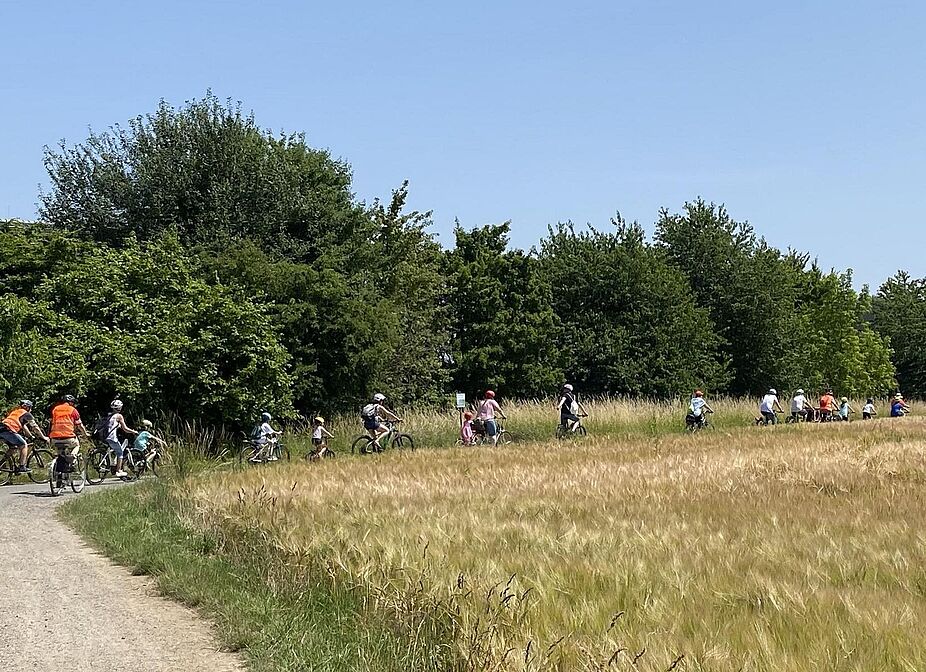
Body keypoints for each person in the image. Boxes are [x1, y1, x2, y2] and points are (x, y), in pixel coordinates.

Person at [1, 400, 50, 474]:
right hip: (9, 430)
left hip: (2, 429)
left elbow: (24, 427)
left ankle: (1, 464)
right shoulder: (26, 414)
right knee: (23, 445)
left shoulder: (16, 412)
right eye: (30, 407)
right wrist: (43, 437)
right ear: (27, 407)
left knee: (13, 447)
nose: (31, 409)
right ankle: (22, 466)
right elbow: (35, 427)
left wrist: (30, 436)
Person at [48, 395, 89, 476]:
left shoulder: (55, 409)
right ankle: (72, 459)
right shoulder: (73, 410)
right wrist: (85, 434)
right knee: (77, 445)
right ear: (71, 402)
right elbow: (79, 425)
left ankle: (59, 475)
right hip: (68, 437)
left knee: (60, 455)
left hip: (54, 437)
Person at [105, 400, 138, 478]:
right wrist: (133, 431)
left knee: (114, 449)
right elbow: (125, 429)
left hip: (104, 437)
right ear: (120, 408)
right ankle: (118, 470)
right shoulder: (119, 416)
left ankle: (112, 465)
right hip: (112, 437)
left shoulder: (109, 415)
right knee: (120, 453)